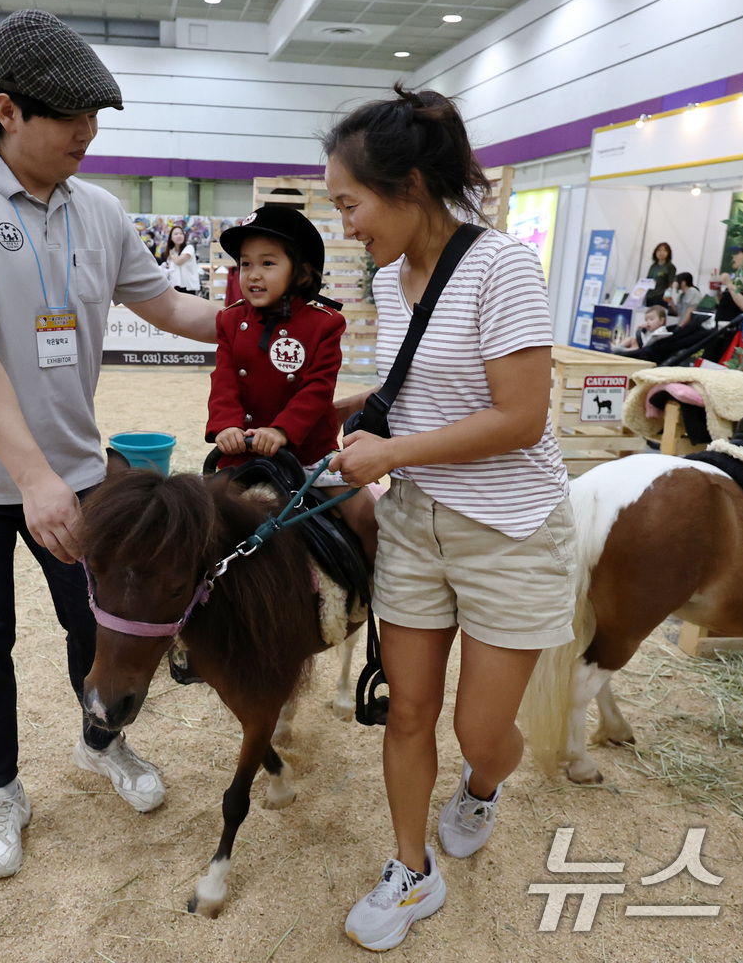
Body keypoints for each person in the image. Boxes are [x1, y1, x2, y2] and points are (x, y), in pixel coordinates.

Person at [0, 9, 220, 884]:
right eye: (71, 116)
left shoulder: (100, 212)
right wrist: (31, 477)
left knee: (97, 620)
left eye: (96, 117)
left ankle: (100, 743)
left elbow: (169, 307)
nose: (88, 133)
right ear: (7, 111)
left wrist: (270, 321)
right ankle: (0, 791)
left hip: (75, 470)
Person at [323, 85, 576, 952]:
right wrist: (353, 406)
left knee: (479, 732)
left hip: (511, 531)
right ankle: (411, 869)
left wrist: (389, 453)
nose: (346, 226)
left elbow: (521, 418)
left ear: (409, 187)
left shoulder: (502, 268)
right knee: (407, 710)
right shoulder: (391, 279)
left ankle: (483, 785)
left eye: (349, 204)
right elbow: (425, 383)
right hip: (417, 523)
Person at [207, 205, 377, 561]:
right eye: (246, 264)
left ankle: (373, 584)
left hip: (307, 455)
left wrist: (282, 430)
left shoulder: (323, 324)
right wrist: (226, 426)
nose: (253, 274)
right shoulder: (230, 320)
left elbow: (317, 389)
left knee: (367, 517)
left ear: (301, 273)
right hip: (242, 453)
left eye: (268, 263)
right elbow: (224, 380)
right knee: (199, 521)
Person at [158, 224, 200, 294]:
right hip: (174, 286)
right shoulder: (171, 251)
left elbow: (179, 261)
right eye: (176, 234)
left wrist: (172, 255)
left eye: (181, 234)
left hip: (188, 286)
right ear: (171, 238)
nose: (179, 236)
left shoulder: (189, 248)